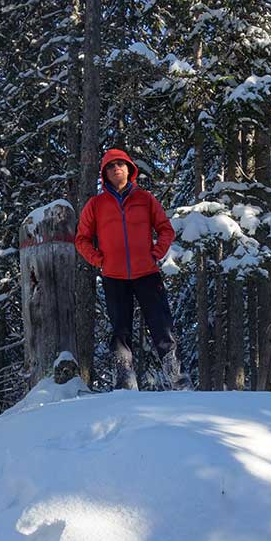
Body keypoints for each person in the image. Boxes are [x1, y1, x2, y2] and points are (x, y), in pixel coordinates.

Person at [75, 148, 189, 390]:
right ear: (104, 173)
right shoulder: (96, 204)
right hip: (114, 277)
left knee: (162, 325)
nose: (116, 168)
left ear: (129, 168)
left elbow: (166, 230)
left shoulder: (145, 199)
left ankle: (177, 378)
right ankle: (125, 381)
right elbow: (81, 238)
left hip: (147, 273)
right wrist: (98, 260)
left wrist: (156, 253)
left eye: (121, 164)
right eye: (110, 166)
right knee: (120, 329)